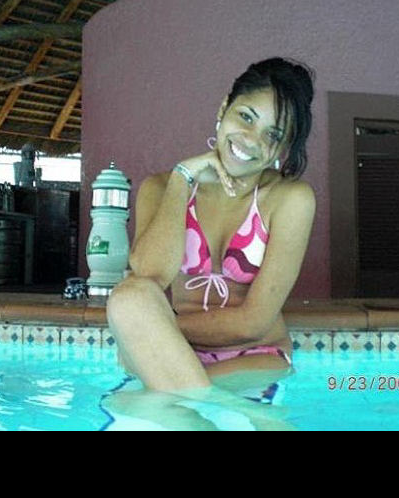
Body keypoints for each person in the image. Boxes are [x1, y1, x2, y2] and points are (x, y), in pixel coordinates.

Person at [106, 57, 316, 394]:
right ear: (224, 108)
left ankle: (190, 401)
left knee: (139, 400)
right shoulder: (160, 188)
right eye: (246, 117)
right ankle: (197, 402)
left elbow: (253, 323)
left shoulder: (290, 198)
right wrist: (182, 179)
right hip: (176, 354)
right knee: (128, 297)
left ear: (284, 146)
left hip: (254, 356)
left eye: (273, 134)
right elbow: (148, 274)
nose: (251, 139)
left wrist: (147, 332)